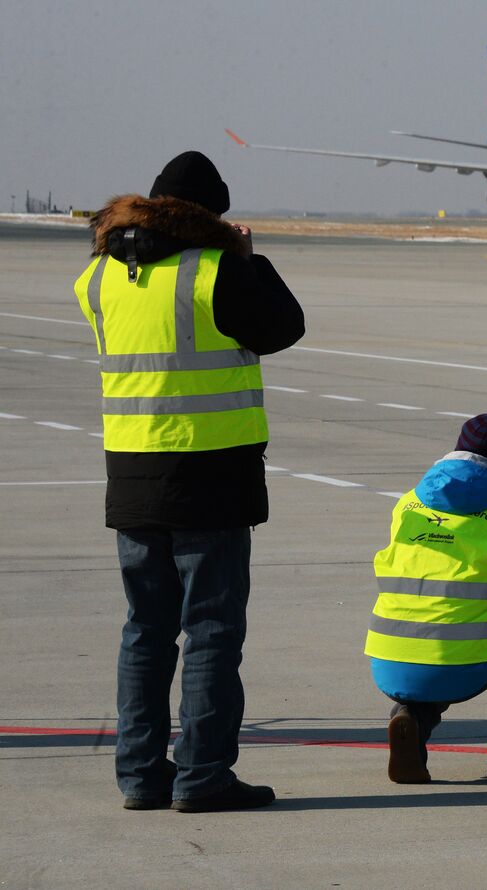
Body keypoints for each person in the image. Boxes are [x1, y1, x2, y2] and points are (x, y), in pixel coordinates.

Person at [74, 151, 304, 812]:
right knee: (210, 632)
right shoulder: (214, 273)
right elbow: (285, 326)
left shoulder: (99, 277)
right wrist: (250, 259)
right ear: (212, 217)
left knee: (144, 631)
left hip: (132, 476)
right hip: (211, 477)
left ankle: (141, 775)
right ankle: (203, 775)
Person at [366, 415, 487, 783]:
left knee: (441, 627)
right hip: (462, 664)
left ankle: (414, 718)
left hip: (389, 659)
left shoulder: (407, 505)